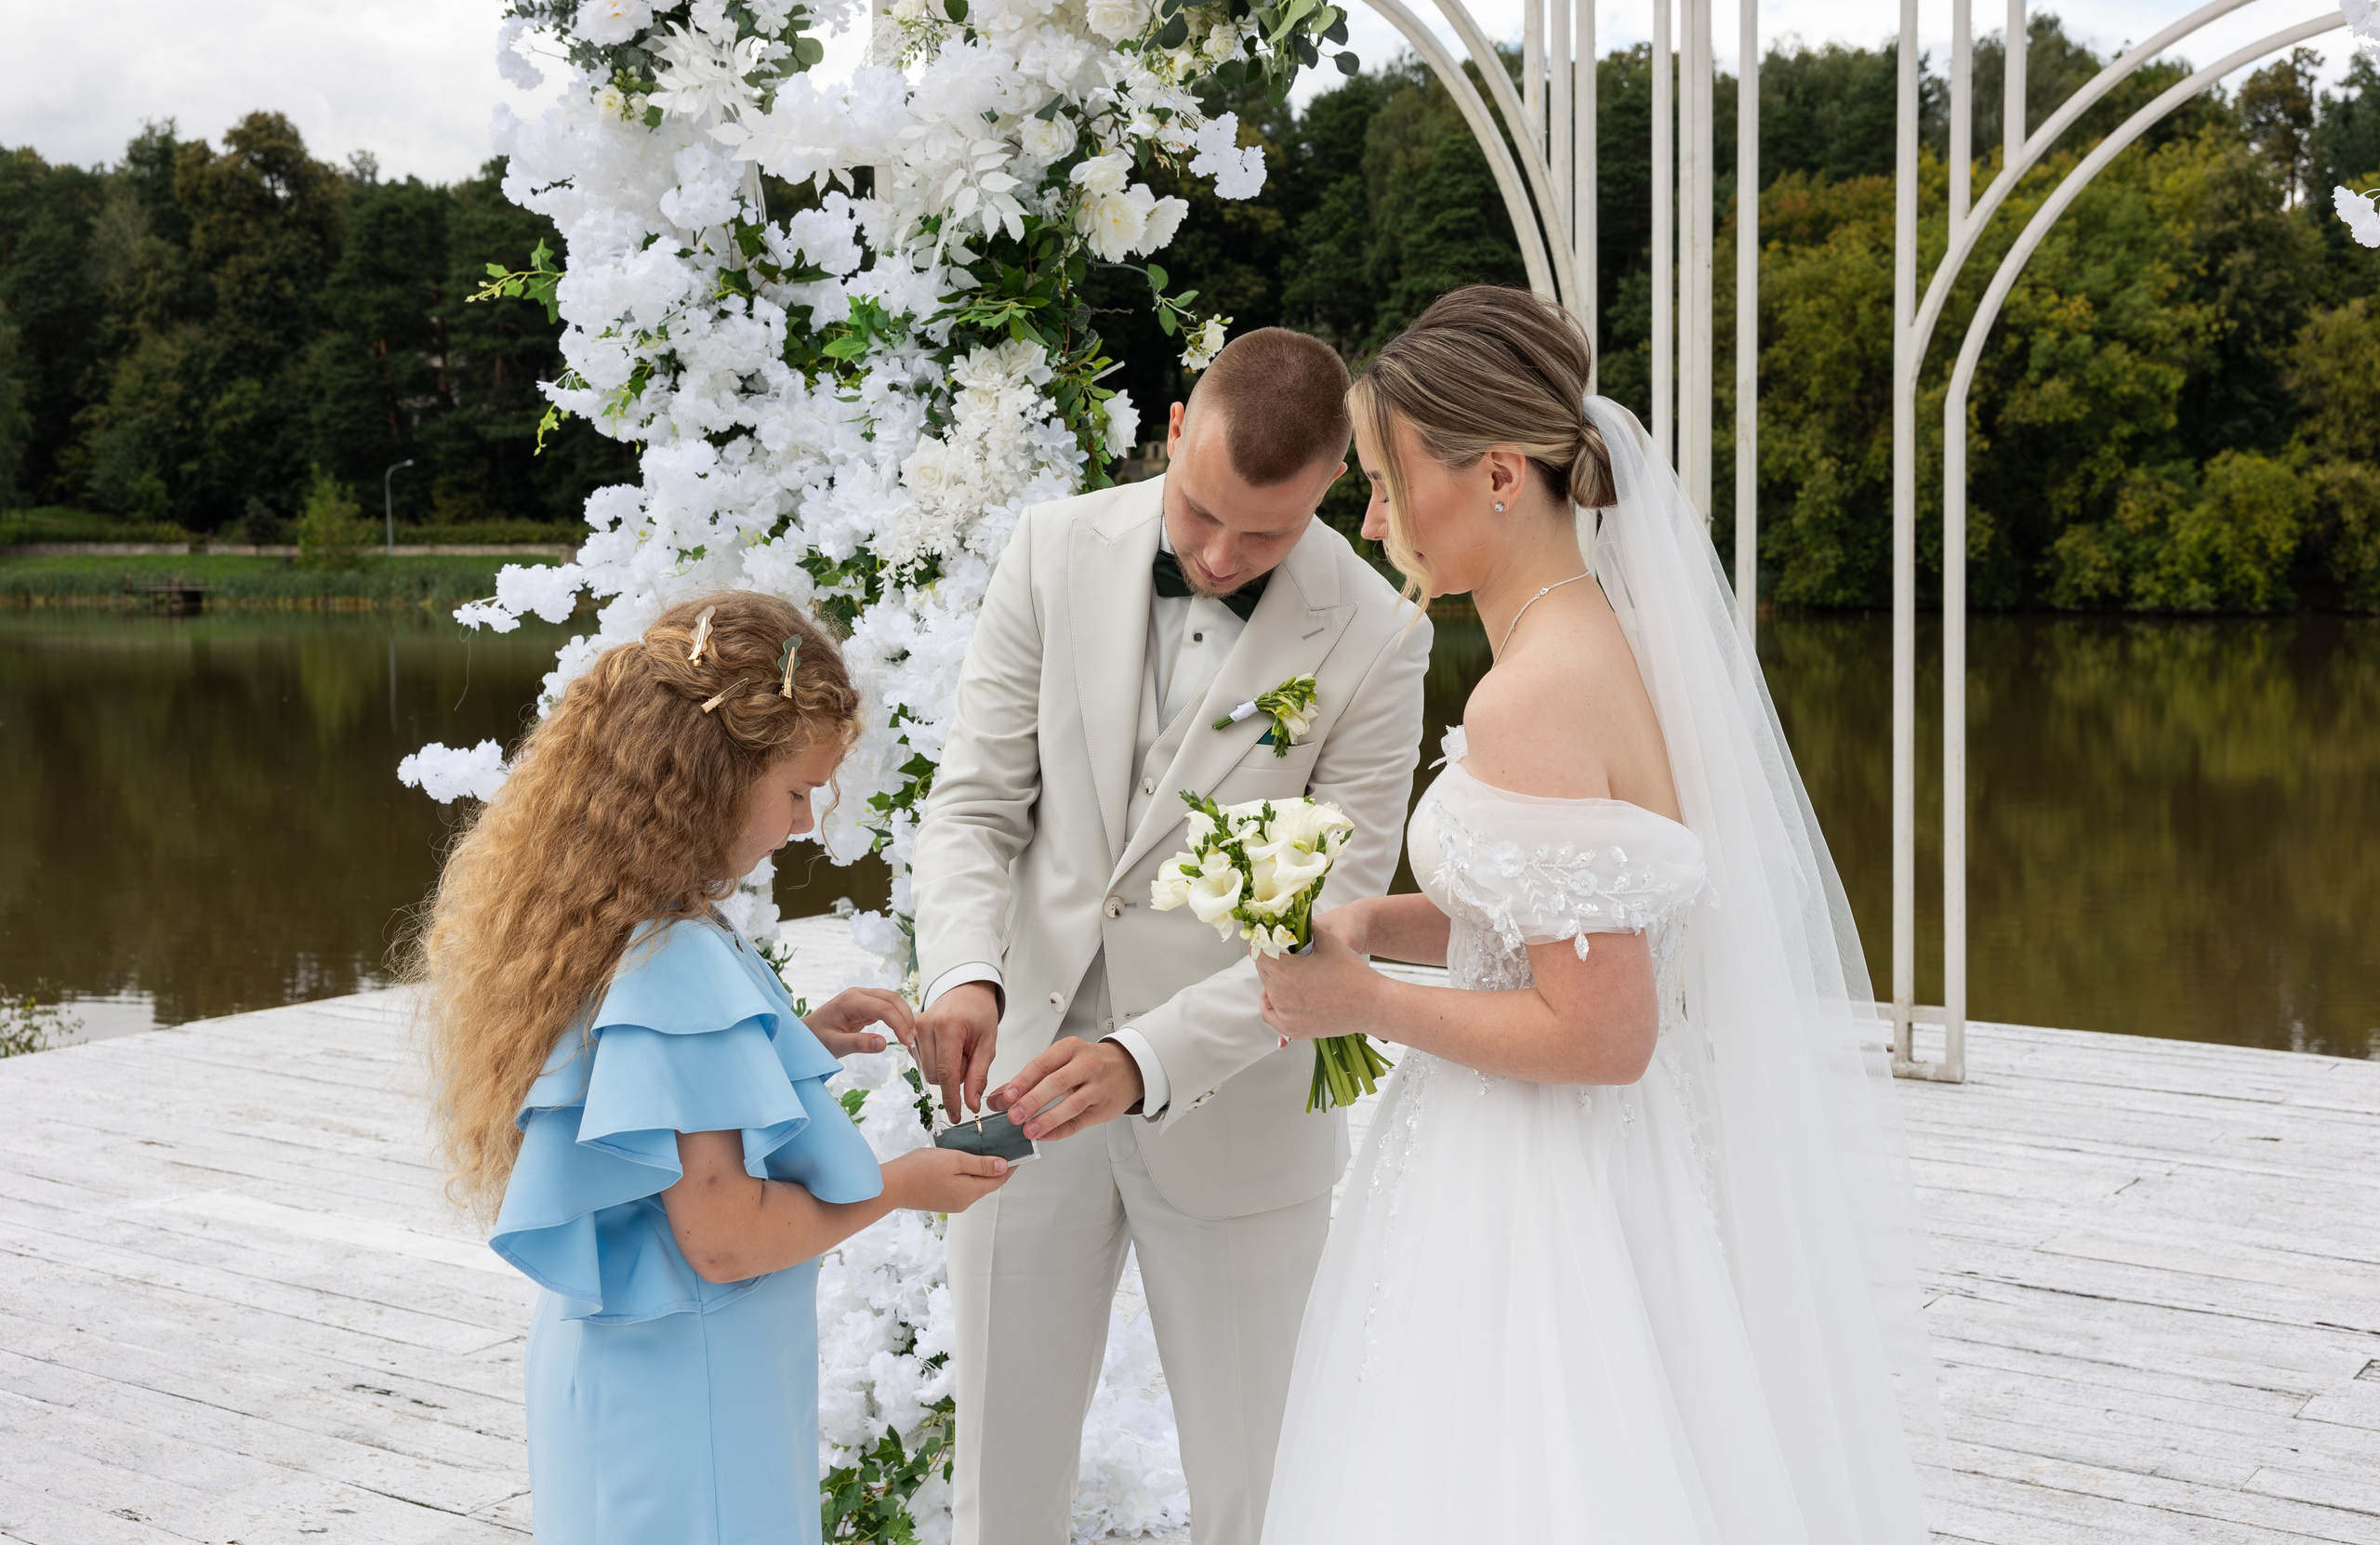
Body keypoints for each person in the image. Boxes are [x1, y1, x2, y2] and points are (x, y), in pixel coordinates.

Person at [1252, 287, 1937, 1543]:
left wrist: (1361, 1003)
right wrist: (1374, 923)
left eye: (1391, 488)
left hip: (1538, 1182)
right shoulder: (1603, 642)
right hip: (1597, 1156)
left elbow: (1603, 1031)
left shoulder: (1532, 697)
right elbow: (1553, 918)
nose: (1374, 520)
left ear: (1501, 473)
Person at [904, 328, 1433, 1545]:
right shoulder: (1051, 546)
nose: (1216, 555)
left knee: (1260, 1493)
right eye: (1202, 515)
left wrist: (1145, 1058)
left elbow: (1327, 930)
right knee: (999, 1484)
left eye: (1263, 537)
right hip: (1016, 1079)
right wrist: (966, 973)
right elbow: (975, 804)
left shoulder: (1379, 637)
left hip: (1236, 1110)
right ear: (1181, 420)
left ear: (1333, 487)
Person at [414, 591, 1011, 1545]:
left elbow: (643, 1099)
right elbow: (725, 1239)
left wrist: (785, 1042)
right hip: (689, 1395)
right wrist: (904, 1186)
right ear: (709, 779)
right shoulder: (677, 958)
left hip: (618, 1370)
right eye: (796, 791)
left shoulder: (606, 924)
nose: (807, 822)